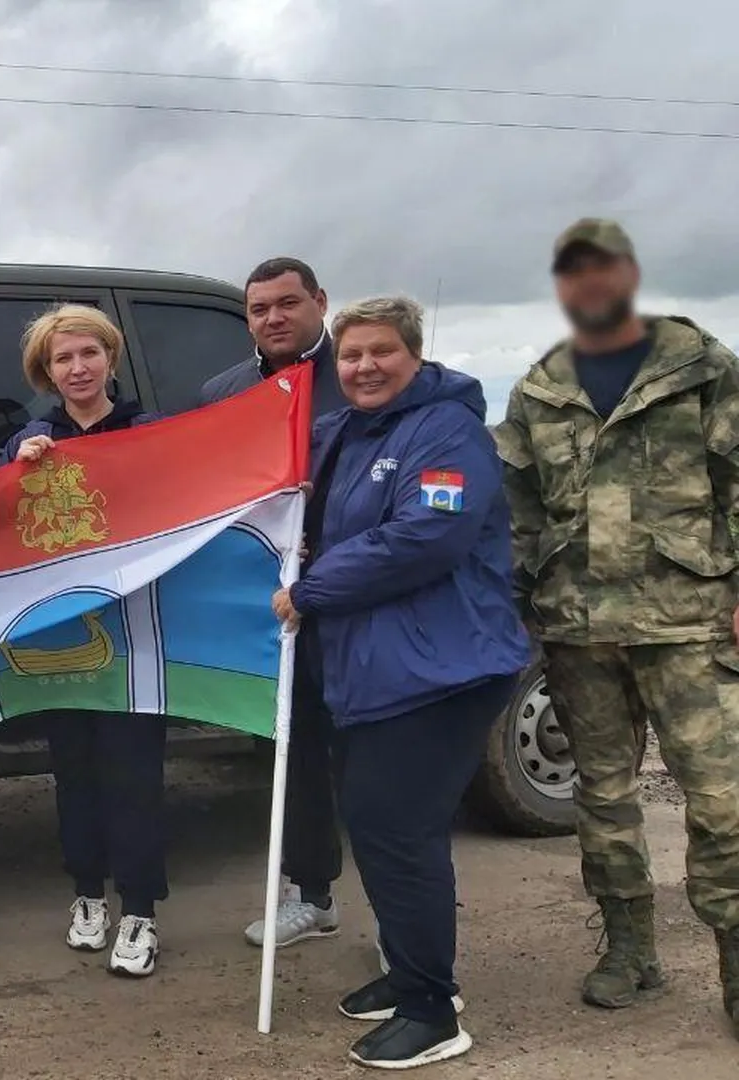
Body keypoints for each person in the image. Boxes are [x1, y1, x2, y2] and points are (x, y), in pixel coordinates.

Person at [496, 219, 739, 1034]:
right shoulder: (540, 388)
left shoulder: (699, 367)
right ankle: (631, 950)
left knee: (722, 798)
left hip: (689, 621)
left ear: (628, 275)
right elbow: (518, 507)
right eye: (573, 272)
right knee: (602, 796)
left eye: (602, 270)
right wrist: (518, 596)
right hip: (578, 628)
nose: (588, 285)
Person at [273, 297, 529, 1069]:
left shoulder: (448, 432)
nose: (363, 368)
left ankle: (432, 1010)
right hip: (373, 671)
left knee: (399, 831)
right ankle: (414, 976)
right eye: (350, 356)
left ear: (414, 354)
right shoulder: (344, 431)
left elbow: (428, 534)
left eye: (381, 352)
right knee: (379, 827)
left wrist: (312, 586)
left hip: (440, 669)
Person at [3, 305, 168, 977]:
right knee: (73, 772)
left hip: (138, 632)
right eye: (62, 359)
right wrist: (16, 468)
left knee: (134, 775)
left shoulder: (150, 430)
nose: (76, 368)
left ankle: (140, 910)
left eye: (88, 354)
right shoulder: (32, 438)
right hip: (64, 633)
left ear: (110, 359)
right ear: (46, 371)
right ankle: (86, 895)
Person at [202, 257, 349, 953]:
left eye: (287, 304)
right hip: (270, 602)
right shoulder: (223, 391)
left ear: (319, 302)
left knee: (371, 758)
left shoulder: (359, 379)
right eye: (260, 309)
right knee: (294, 747)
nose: (273, 319)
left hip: (352, 598)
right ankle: (311, 893)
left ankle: (407, 919)